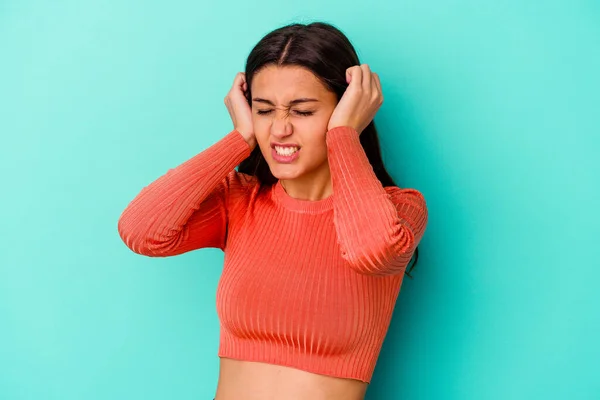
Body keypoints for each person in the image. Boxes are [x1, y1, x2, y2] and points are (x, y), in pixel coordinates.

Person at [117, 21, 428, 400]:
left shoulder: (399, 209)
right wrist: (240, 139)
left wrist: (345, 133)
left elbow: (372, 250)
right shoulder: (240, 200)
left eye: (302, 111)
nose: (279, 129)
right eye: (264, 111)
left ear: (347, 108)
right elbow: (141, 231)